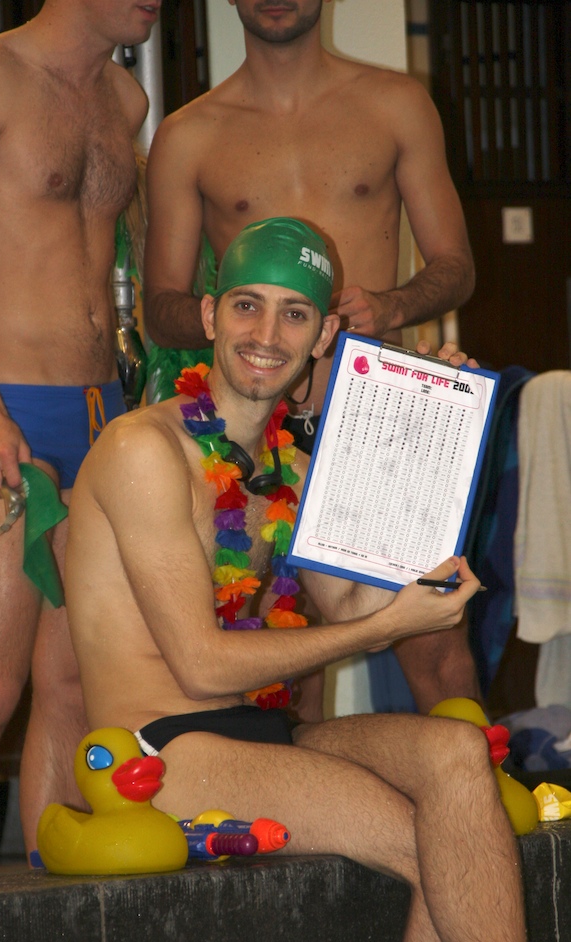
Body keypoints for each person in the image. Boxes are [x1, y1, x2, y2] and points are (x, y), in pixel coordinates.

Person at [66, 218, 530, 942]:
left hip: (260, 734)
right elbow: (202, 664)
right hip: (163, 747)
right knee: (430, 839)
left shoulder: (290, 466)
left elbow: (354, 604)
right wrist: (386, 624)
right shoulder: (142, 450)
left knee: (454, 755)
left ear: (324, 336)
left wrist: (427, 427)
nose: (265, 334)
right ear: (210, 316)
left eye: (293, 313)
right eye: (246, 305)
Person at [142, 0, 480, 717]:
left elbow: (456, 266)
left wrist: (391, 305)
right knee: (282, 659)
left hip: (375, 416)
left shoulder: (395, 104)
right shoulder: (188, 134)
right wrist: (238, 317)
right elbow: (161, 307)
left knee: (437, 646)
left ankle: (478, 785)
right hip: (256, 423)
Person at [0, 0, 161, 883]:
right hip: (6, 411)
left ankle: (56, 918)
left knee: (72, 687)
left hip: (104, 413)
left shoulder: (124, 100)